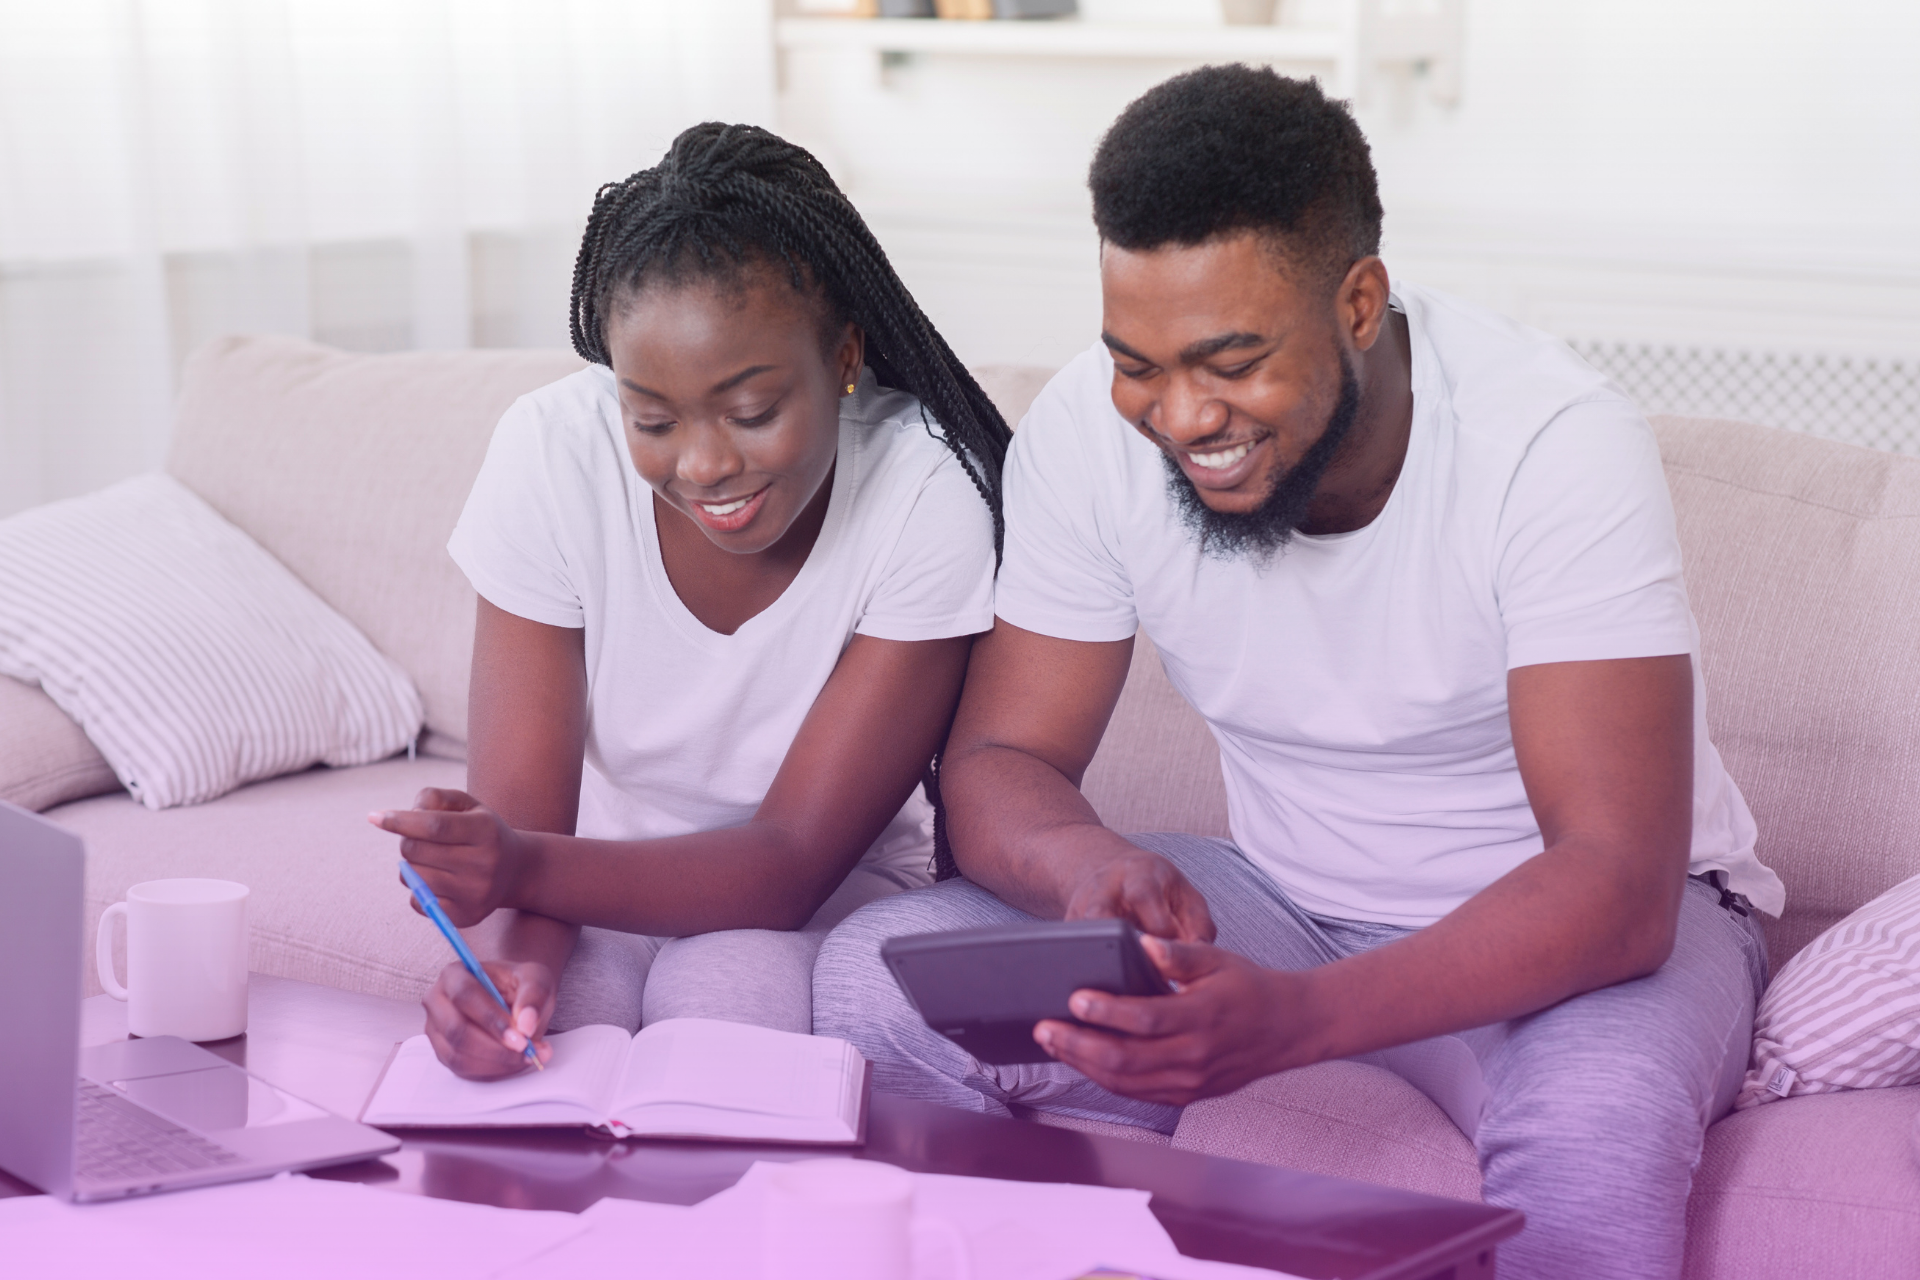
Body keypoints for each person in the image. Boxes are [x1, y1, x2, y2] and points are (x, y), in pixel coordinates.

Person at [812, 67, 1782, 1280]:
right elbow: (1005, 758)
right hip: (1286, 896)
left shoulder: (1551, 446)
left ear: (1361, 303)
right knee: (875, 981)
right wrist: (1088, 865)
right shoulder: (1085, 434)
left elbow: (1616, 880)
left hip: (1582, 935)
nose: (1178, 414)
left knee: (1593, 1132)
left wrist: (1295, 1022)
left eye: (1229, 360)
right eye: (1138, 361)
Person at [370, 122, 1009, 1081]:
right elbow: (528, 821)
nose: (705, 465)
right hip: (587, 883)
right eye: (653, 420)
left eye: (752, 413)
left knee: (718, 1009)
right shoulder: (550, 454)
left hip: (821, 893)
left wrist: (518, 866)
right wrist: (511, 968)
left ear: (844, 355)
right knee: (537, 1045)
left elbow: (790, 863)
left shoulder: (927, 492)